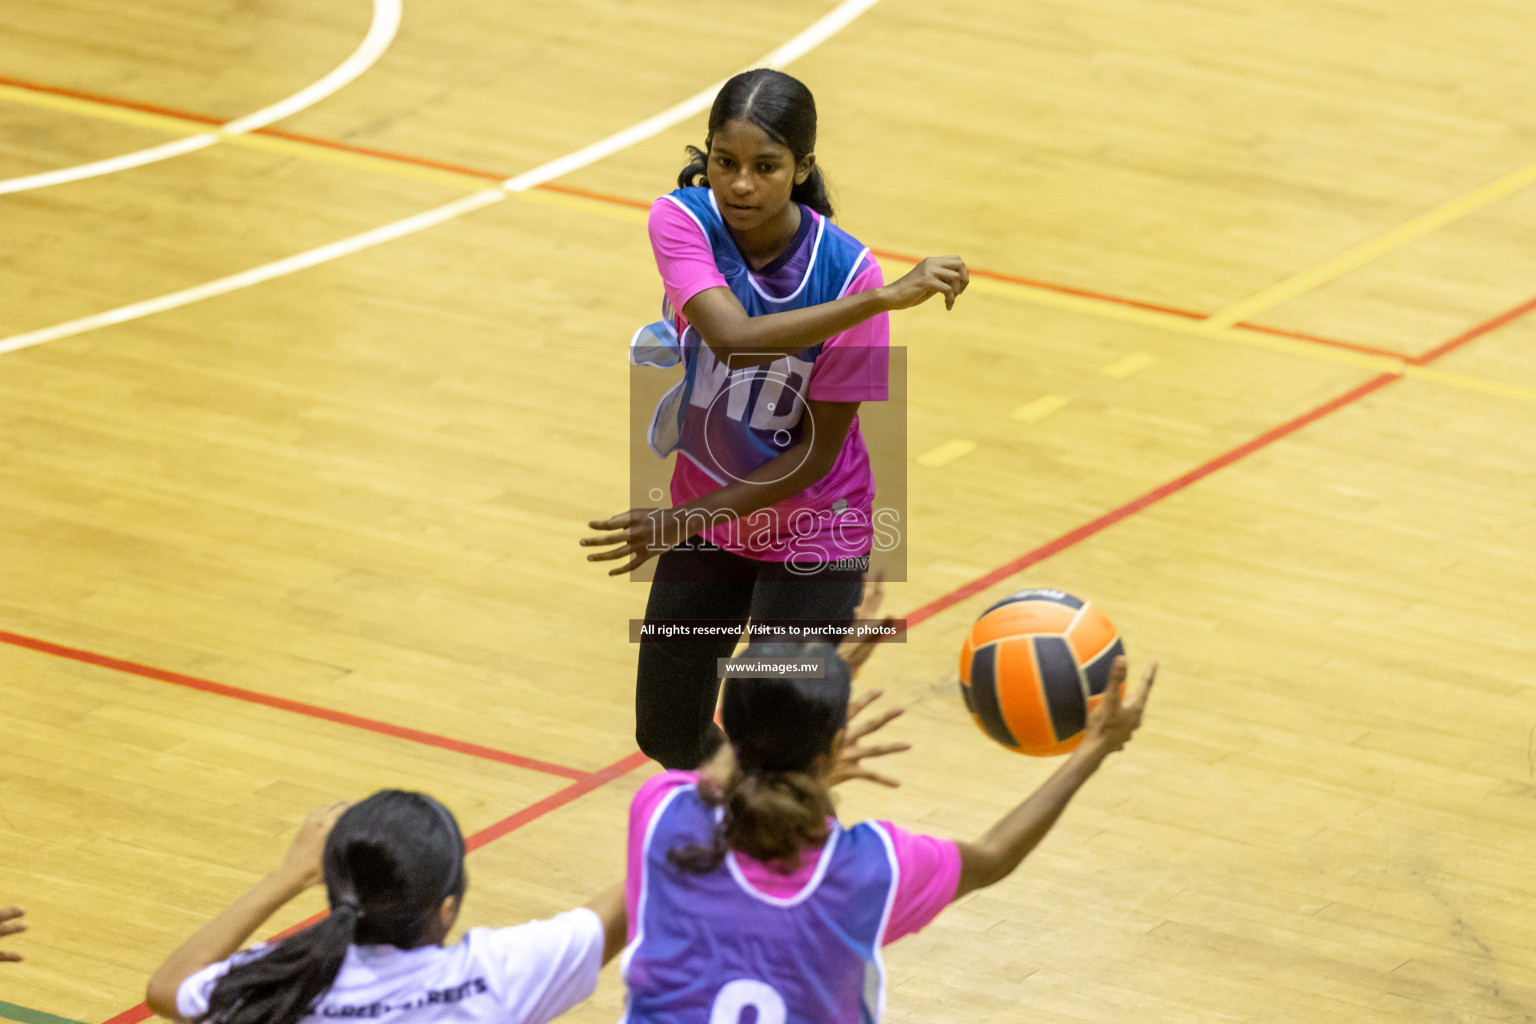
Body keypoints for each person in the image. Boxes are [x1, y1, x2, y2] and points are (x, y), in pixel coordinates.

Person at [581, 68, 969, 771]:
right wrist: (883, 301)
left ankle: (766, 832)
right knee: (667, 733)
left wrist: (874, 298)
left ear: (802, 169)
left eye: (765, 167)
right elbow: (731, 338)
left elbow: (814, 458)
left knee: (775, 737)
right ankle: (735, 798)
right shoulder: (682, 218)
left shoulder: (847, 274)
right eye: (724, 162)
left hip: (815, 530)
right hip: (707, 520)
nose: (739, 186)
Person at [619, 641, 1157, 1022]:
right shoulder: (871, 869)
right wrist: (1095, 747)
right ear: (833, 753)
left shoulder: (664, 815)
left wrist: (809, 702)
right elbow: (994, 856)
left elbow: (730, 763)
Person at [145, 791, 624, 1024]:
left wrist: (287, 875)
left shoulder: (279, 980)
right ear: (447, 909)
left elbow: (169, 988)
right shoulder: (490, 978)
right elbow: (640, 893)